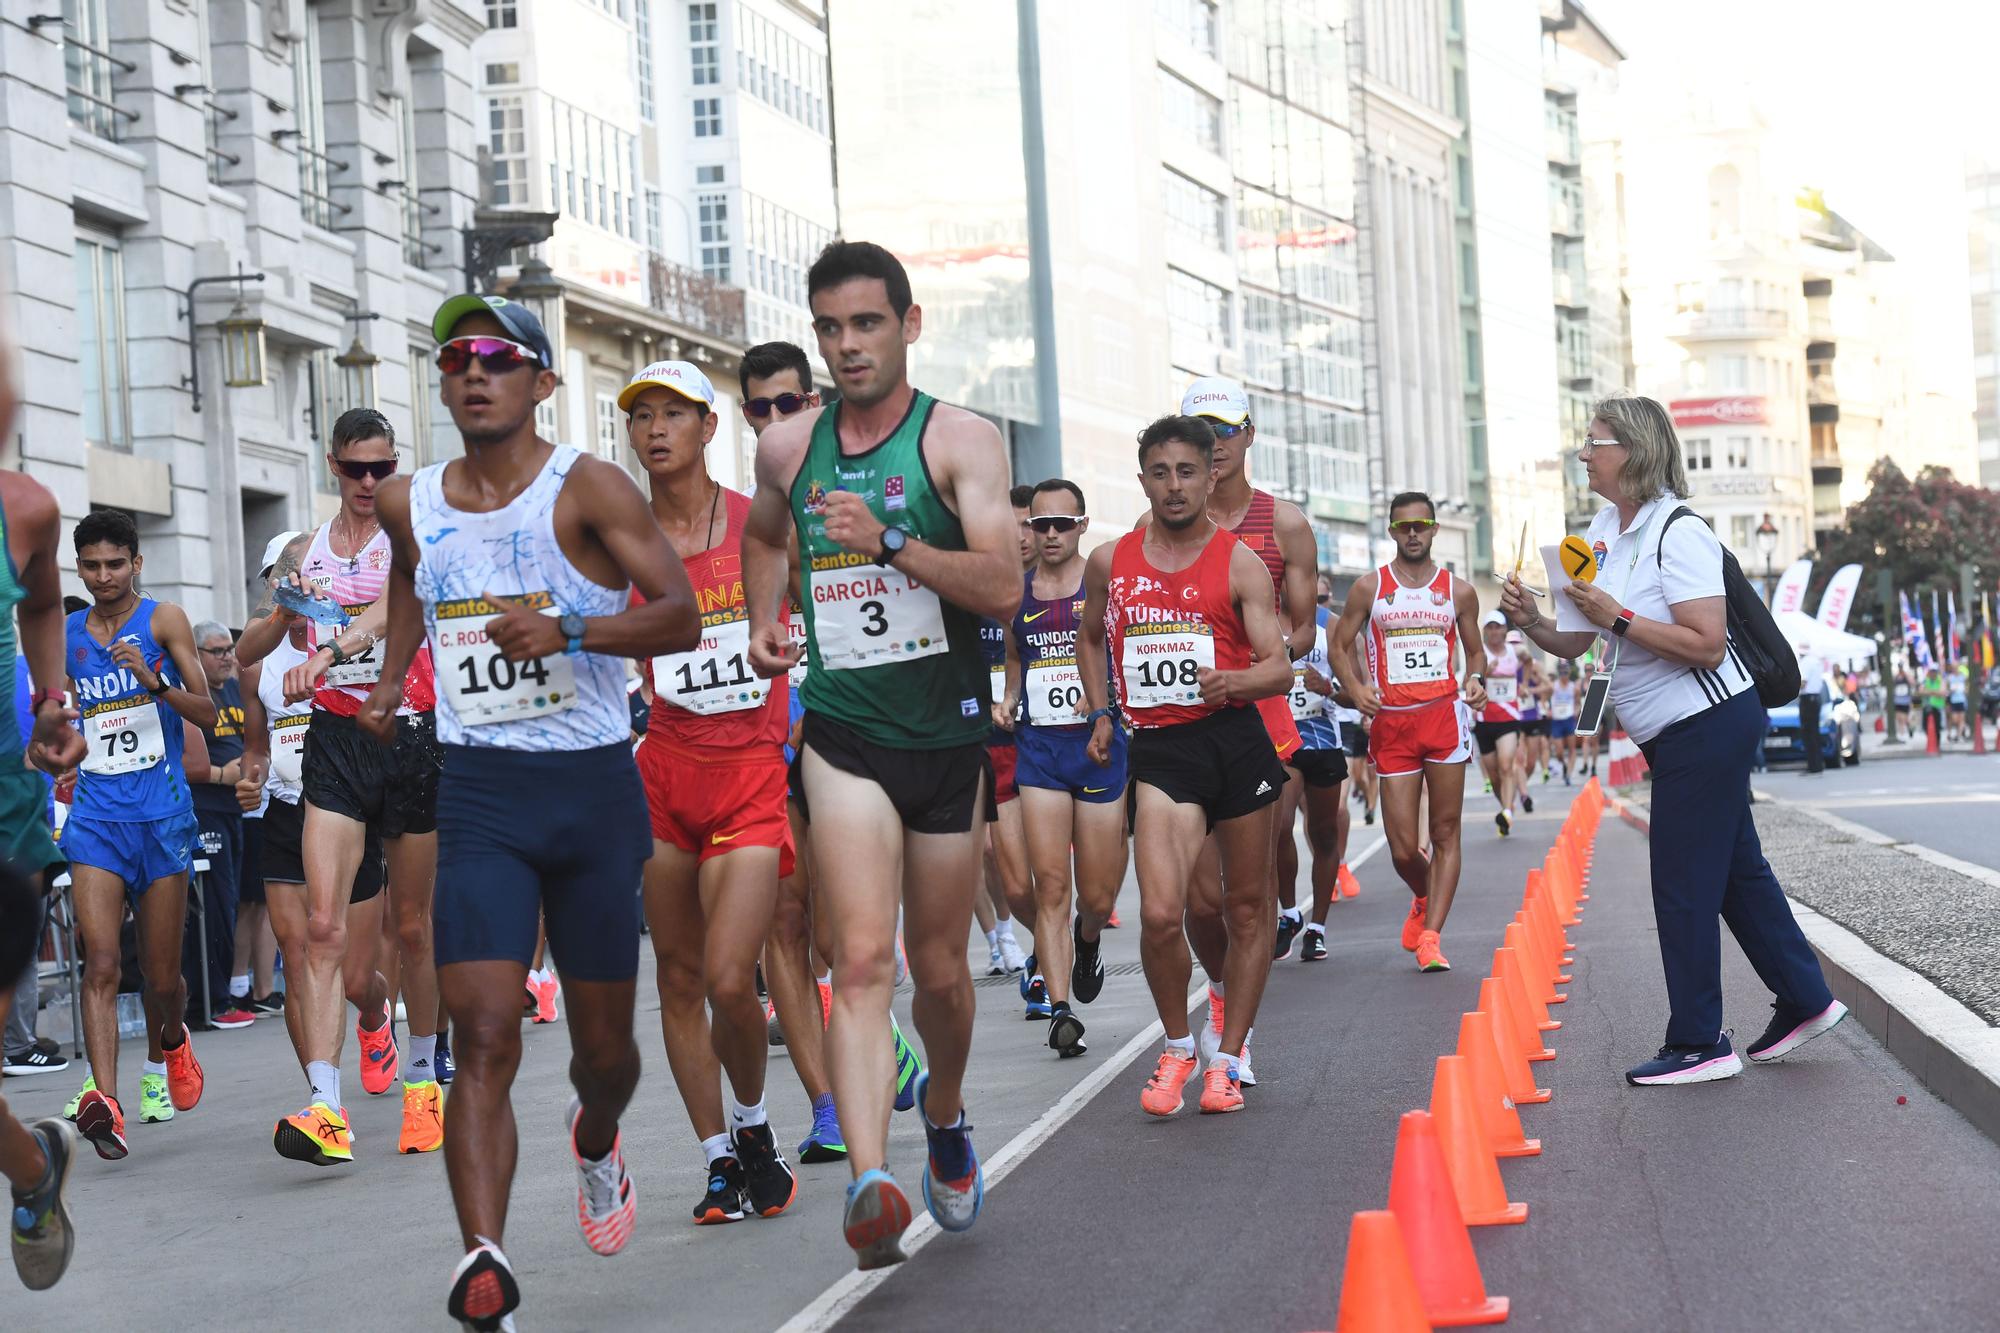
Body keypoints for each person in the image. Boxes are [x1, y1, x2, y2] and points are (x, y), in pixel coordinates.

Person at [362, 293, 698, 1327]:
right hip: (481, 793)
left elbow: (678, 612)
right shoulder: (407, 500)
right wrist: (389, 678)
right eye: (456, 356)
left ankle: (595, 1134)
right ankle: (485, 1266)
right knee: (485, 1030)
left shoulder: (585, 487)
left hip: (593, 788)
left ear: (542, 383)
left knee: (606, 1053)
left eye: (499, 359)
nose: (474, 372)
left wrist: (570, 629)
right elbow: (417, 586)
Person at [741, 240, 1019, 1270]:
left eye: (866, 323)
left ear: (908, 324)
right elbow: (766, 536)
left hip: (945, 736)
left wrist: (888, 543)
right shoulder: (788, 448)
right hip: (844, 731)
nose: (848, 345)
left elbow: (1001, 588)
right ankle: (868, 1179)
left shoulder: (960, 441)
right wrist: (767, 621)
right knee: (857, 960)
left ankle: (941, 1112)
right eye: (830, 327)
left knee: (941, 972)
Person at [1500, 393, 1846, 1084]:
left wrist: (1619, 616)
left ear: (1632, 450)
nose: (1583, 455)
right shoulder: (1600, 529)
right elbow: (1579, 640)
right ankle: (1806, 999)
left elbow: (1708, 644)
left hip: (1710, 722)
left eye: (1594, 442)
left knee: (1682, 883)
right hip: (1675, 730)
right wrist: (1536, 619)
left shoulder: (1678, 532)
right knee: (1736, 875)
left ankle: (1699, 1041)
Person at [235, 407, 446, 1162]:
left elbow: (396, 608)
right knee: (321, 930)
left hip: (407, 731)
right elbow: (255, 641)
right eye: (356, 469)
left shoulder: (409, 531)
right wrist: (282, 610)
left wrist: (331, 651)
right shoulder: (310, 549)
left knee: (413, 927)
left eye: (381, 468)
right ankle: (327, 1106)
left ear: (396, 466)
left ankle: (424, 1078)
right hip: (334, 743)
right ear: (333, 465)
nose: (368, 482)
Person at [622, 359, 799, 1225]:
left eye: (673, 414)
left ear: (707, 428)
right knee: (680, 976)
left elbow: (832, 612)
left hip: (751, 772)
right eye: (640, 417)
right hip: (663, 772)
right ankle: (716, 1159)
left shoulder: (761, 523)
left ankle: (754, 1119)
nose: (655, 430)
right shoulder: (621, 541)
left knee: (734, 978)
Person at [1078, 414, 1290, 1116]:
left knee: (1248, 907)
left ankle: (1228, 1058)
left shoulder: (1239, 563)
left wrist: (1235, 682)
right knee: (1166, 913)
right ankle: (1177, 1046)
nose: (1174, 486)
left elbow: (1279, 668)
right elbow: (1088, 636)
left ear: (1211, 476)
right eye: (1160, 472)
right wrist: (1102, 710)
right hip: (1164, 749)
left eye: (1188, 471)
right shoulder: (1111, 561)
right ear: (1142, 478)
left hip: (1233, 740)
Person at [57, 510, 216, 1158]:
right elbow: (58, 713)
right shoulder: (65, 632)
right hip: (96, 814)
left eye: (114, 564)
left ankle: (172, 1039)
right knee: (99, 961)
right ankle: (108, 1103)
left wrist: (154, 681)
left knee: (161, 976)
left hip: (162, 812)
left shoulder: (164, 620)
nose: (102, 577)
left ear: (137, 563)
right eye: (91, 566)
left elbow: (206, 707)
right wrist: (53, 747)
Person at [233, 564, 400, 1163]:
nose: (304, 588)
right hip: (284, 816)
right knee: (299, 951)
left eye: (309, 578)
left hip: (348, 802)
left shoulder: (361, 633)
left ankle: (376, 1013)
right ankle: (324, 1104)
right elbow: (255, 748)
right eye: (287, 580)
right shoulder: (265, 658)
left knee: (354, 975)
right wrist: (249, 780)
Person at [1174, 377, 1314, 1076]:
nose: (1216, 443)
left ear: (1248, 434)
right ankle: (1223, 991)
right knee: (1199, 899)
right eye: (1201, 430)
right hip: (1184, 722)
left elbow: (1308, 627)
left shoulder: (1282, 523)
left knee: (1249, 881)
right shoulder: (1155, 531)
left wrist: (1262, 654)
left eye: (1225, 429)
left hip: (1263, 712)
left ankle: (1237, 1042)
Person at [736, 339, 847, 1165]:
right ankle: (827, 1104)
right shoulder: (746, 522)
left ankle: (881, 1046)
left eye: (788, 404)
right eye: (758, 408)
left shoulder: (854, 495)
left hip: (852, 734)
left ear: (814, 402)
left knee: (844, 936)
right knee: (784, 922)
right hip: (767, 742)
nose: (775, 419)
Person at [1325, 492, 1487, 973]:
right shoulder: (1369, 587)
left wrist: (1475, 678)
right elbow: (1339, 645)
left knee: (1444, 831)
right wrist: (1356, 689)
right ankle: (1422, 895)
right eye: (1403, 526)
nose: (1413, 533)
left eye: (1421, 525)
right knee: (1401, 848)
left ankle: (1432, 937)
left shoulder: (1458, 591)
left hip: (1443, 716)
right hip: (1392, 723)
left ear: (1435, 529)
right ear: (1392, 531)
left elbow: (1474, 653)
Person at [997, 477, 1128, 1057]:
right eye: (1039, 524)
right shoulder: (1015, 593)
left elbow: (1124, 652)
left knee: (1095, 894)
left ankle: (1089, 935)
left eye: (1060, 524)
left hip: (1099, 747)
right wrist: (1008, 697)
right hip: (1040, 754)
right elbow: (1014, 660)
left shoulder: (1103, 586)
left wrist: (1106, 700)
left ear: (1081, 526)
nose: (1048, 534)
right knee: (1049, 885)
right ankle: (1060, 1009)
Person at [0, 456, 90, 1290]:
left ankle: (32, 1172)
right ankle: (32, 1167)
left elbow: (40, 607)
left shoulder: (23, 508)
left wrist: (52, 699)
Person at [981, 487, 1035, 1010]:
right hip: (983, 738)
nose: (1022, 536)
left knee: (1048, 866)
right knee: (991, 855)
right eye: (1012, 525)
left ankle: (1056, 946)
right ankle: (1013, 937)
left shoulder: (1066, 587)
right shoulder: (978, 581)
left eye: (1031, 524)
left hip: (1045, 739)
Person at [188, 620, 253, 1029]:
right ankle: (211, 1003)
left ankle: (227, 993)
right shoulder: (192, 695)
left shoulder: (233, 687)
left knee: (233, 903)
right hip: (203, 809)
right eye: (217, 650)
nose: (228, 656)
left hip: (237, 809)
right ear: (196, 654)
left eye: (230, 648)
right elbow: (180, 760)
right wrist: (220, 774)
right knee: (212, 906)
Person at [1285, 591, 1352, 962]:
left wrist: (1328, 688)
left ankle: (1317, 928)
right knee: (1279, 829)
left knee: (1323, 835)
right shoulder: (1257, 616)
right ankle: (1290, 912)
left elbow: (1356, 695)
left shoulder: (1332, 626)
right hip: (1279, 741)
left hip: (1323, 740)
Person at [1472, 613, 1525, 835]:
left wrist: (1523, 684)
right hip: (1485, 719)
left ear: (1504, 630)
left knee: (1506, 766)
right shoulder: (1478, 654)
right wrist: (1485, 673)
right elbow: (1470, 678)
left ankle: (1507, 811)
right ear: (1485, 631)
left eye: (1498, 627)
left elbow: (1530, 661)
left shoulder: (1516, 651)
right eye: (1490, 627)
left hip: (1509, 718)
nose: (1494, 632)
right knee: (1494, 775)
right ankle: (1505, 807)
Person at [1547, 660, 1579, 784]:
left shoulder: (1574, 688)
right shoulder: (1553, 686)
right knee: (1559, 751)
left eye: (1566, 672)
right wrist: (1547, 709)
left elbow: (1577, 703)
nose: (1564, 675)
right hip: (1557, 721)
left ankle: (1568, 775)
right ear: (1559, 673)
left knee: (1572, 749)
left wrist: (1576, 711)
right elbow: (1544, 698)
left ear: (1569, 673)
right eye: (1562, 673)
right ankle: (1564, 765)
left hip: (1569, 719)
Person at [1798, 648, 1826, 775]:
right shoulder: (1815, 661)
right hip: (1815, 699)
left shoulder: (1806, 662)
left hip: (1807, 699)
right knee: (1814, 732)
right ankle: (1817, 764)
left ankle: (1813, 766)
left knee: (1808, 733)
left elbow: (1803, 682)